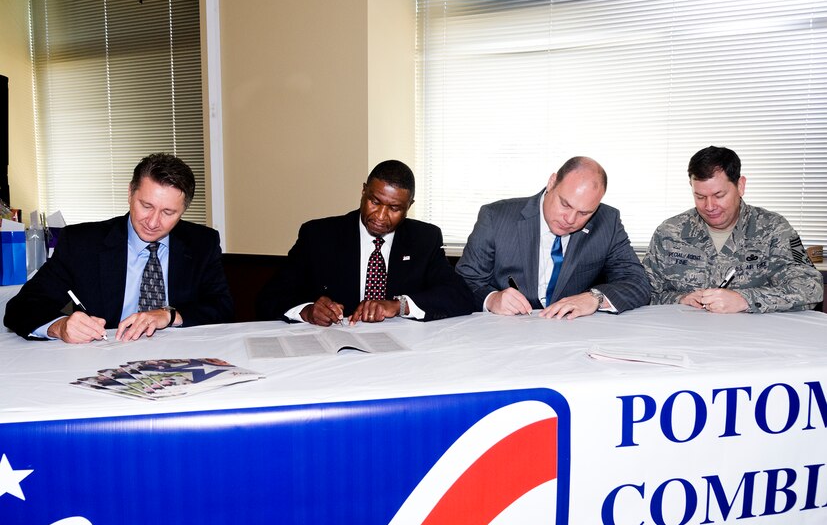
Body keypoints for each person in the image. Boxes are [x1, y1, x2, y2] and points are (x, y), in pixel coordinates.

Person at [4, 153, 234, 342]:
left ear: (183, 210)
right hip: (103, 359)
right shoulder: (82, 243)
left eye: (168, 212)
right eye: (146, 206)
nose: (153, 222)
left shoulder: (202, 242)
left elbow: (222, 307)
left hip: (180, 358)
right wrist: (60, 326)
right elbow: (20, 308)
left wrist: (170, 315)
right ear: (130, 193)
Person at [255, 159, 475, 325]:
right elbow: (269, 298)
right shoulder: (319, 235)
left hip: (403, 355)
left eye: (394, 208)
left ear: (409, 205)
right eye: (374, 201)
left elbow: (459, 296)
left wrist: (399, 305)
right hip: (333, 354)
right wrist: (308, 311)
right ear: (363, 191)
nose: (380, 216)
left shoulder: (424, 239)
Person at [456, 156, 650, 319]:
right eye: (565, 204)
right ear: (552, 182)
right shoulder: (496, 217)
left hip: (571, 336)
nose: (570, 219)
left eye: (584, 213)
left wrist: (595, 298)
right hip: (504, 333)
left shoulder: (607, 221)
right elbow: (463, 280)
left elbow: (638, 283)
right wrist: (491, 299)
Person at [642, 145, 823, 313]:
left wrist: (745, 300)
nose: (710, 206)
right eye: (700, 197)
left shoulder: (774, 229)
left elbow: (810, 288)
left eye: (719, 195)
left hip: (753, 339)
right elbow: (642, 291)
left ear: (740, 186)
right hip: (687, 339)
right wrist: (680, 299)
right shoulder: (669, 233)